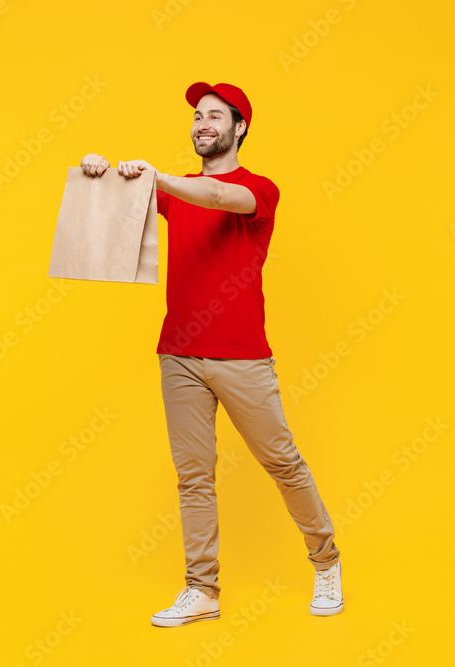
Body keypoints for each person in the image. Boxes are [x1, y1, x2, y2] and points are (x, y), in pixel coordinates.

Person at [79, 82, 343, 627]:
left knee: (282, 463)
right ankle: (202, 590)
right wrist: (97, 172)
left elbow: (219, 198)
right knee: (193, 476)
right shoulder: (174, 188)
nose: (202, 123)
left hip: (242, 356)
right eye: (197, 116)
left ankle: (326, 562)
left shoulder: (259, 190)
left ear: (239, 127)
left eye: (214, 116)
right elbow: (114, 209)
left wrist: (159, 177)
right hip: (178, 353)